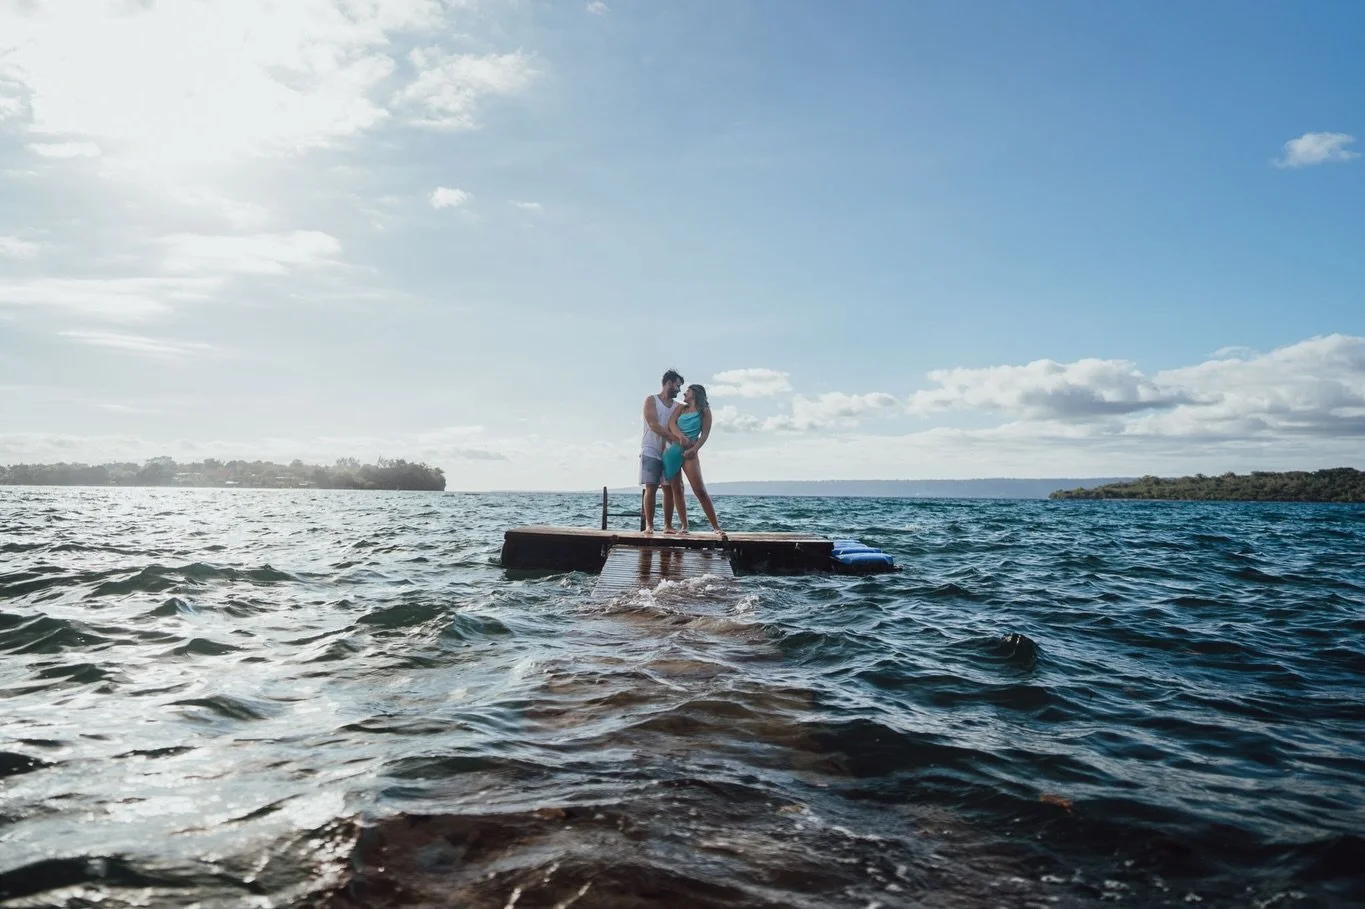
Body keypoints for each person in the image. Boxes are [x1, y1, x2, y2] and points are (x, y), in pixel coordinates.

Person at [661, 384, 722, 533]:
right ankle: (684, 527)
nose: (684, 393)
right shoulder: (681, 408)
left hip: (690, 453)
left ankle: (716, 527)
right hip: (672, 451)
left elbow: (705, 434)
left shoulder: (704, 411)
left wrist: (694, 450)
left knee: (699, 490)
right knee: (677, 489)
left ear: (694, 393)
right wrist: (680, 436)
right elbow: (671, 423)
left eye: (687, 391)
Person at [640, 369, 684, 533]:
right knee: (651, 487)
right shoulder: (651, 400)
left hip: (669, 452)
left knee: (668, 488)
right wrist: (674, 438)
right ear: (669, 383)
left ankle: (668, 525)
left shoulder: (678, 407)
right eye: (677, 385)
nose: (679, 390)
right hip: (650, 449)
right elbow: (653, 425)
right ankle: (649, 525)